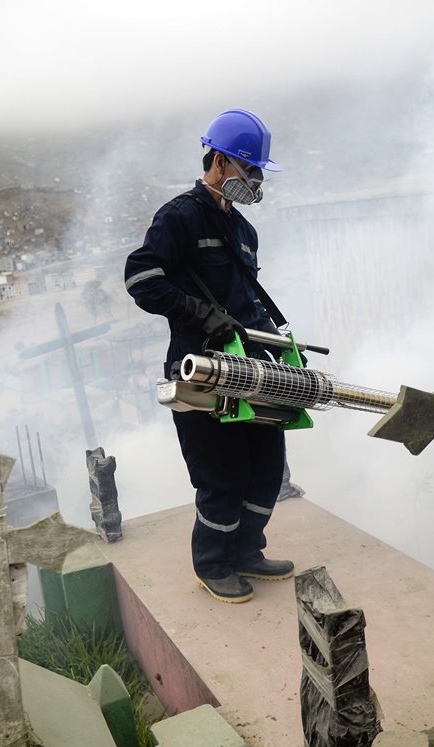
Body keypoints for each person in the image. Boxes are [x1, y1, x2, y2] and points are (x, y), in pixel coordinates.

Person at [124, 108, 294, 603]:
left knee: (266, 462)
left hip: (250, 368)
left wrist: (273, 344)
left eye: (260, 172)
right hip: (199, 369)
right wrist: (200, 313)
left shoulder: (243, 231)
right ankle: (213, 563)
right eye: (249, 169)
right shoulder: (179, 217)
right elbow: (140, 278)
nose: (257, 181)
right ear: (219, 162)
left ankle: (246, 551)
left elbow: (245, 301)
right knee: (220, 472)